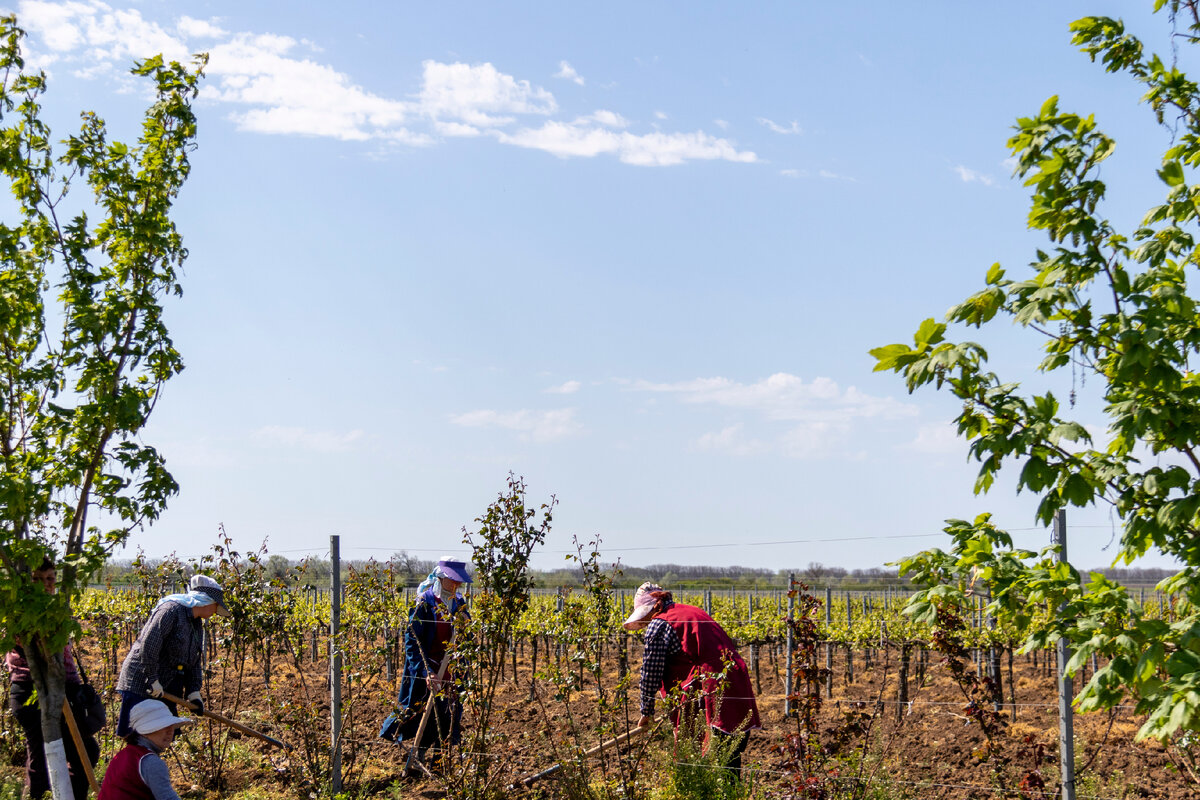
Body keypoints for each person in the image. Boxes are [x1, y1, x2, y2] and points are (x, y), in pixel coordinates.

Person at [624, 582, 761, 778]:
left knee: (704, 754)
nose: (644, 622)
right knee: (729, 755)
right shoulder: (692, 611)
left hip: (712, 684)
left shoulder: (658, 623)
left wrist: (646, 711)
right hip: (734, 677)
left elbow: (650, 671)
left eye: (644, 614)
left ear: (654, 606)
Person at [4, 558, 100, 799]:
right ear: (27, 582)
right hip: (33, 691)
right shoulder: (20, 613)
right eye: (38, 579)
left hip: (63, 688)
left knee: (83, 751)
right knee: (42, 758)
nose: (46, 585)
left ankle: (64, 795)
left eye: (50, 579)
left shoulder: (57, 609)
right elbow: (38, 655)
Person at [379, 557, 472, 756]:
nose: (458, 584)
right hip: (428, 666)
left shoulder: (460, 604)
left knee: (449, 714)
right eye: (454, 580)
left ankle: (439, 762)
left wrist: (466, 626)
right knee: (424, 712)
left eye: (460, 581)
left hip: (451, 669)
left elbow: (468, 639)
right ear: (441, 577)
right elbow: (412, 641)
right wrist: (426, 672)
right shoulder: (425, 603)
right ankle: (417, 756)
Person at [115, 574, 229, 736]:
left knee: (163, 735)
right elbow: (149, 645)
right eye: (216, 604)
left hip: (165, 685)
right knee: (137, 735)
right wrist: (152, 679)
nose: (216, 609)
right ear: (206, 601)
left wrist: (193, 691)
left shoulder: (196, 623)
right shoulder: (171, 611)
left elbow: (194, 659)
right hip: (142, 683)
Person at [97, 699, 193, 800]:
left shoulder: (123, 755)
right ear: (146, 731)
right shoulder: (151, 762)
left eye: (171, 726)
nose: (170, 732)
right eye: (163, 727)